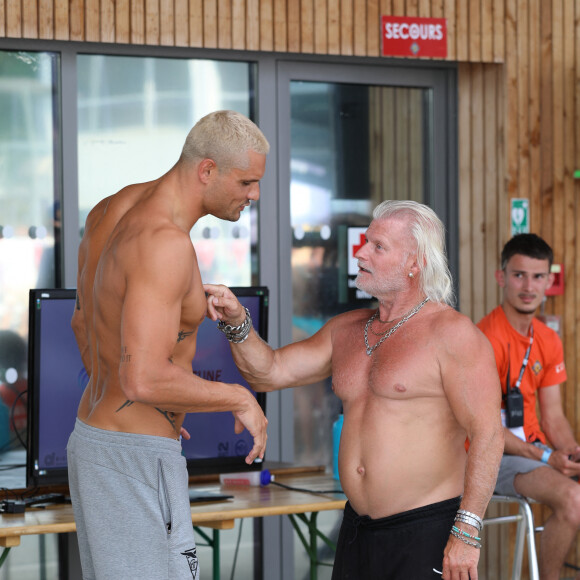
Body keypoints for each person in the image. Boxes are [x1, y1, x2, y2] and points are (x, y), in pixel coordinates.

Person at [205, 199, 504, 579]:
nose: (360, 253)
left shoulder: (451, 334)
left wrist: (467, 530)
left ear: (415, 263)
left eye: (378, 247)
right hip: (357, 530)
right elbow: (270, 371)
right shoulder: (346, 330)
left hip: (427, 529)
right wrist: (236, 322)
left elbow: (488, 433)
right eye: (364, 242)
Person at [68, 110, 270, 580]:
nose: (254, 195)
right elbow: (143, 377)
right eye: (246, 182)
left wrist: (155, 411)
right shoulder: (166, 244)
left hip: (98, 441)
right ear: (206, 170)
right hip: (131, 457)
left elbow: (83, 323)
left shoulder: (111, 210)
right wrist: (238, 397)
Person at [477, 233, 580, 580]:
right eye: (519, 274)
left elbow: (553, 415)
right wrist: (548, 458)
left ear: (549, 281)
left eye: (537, 277)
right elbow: (487, 428)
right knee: (573, 499)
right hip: (488, 456)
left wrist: (571, 454)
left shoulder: (548, 338)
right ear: (501, 276)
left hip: (534, 452)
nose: (528, 285)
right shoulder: (483, 340)